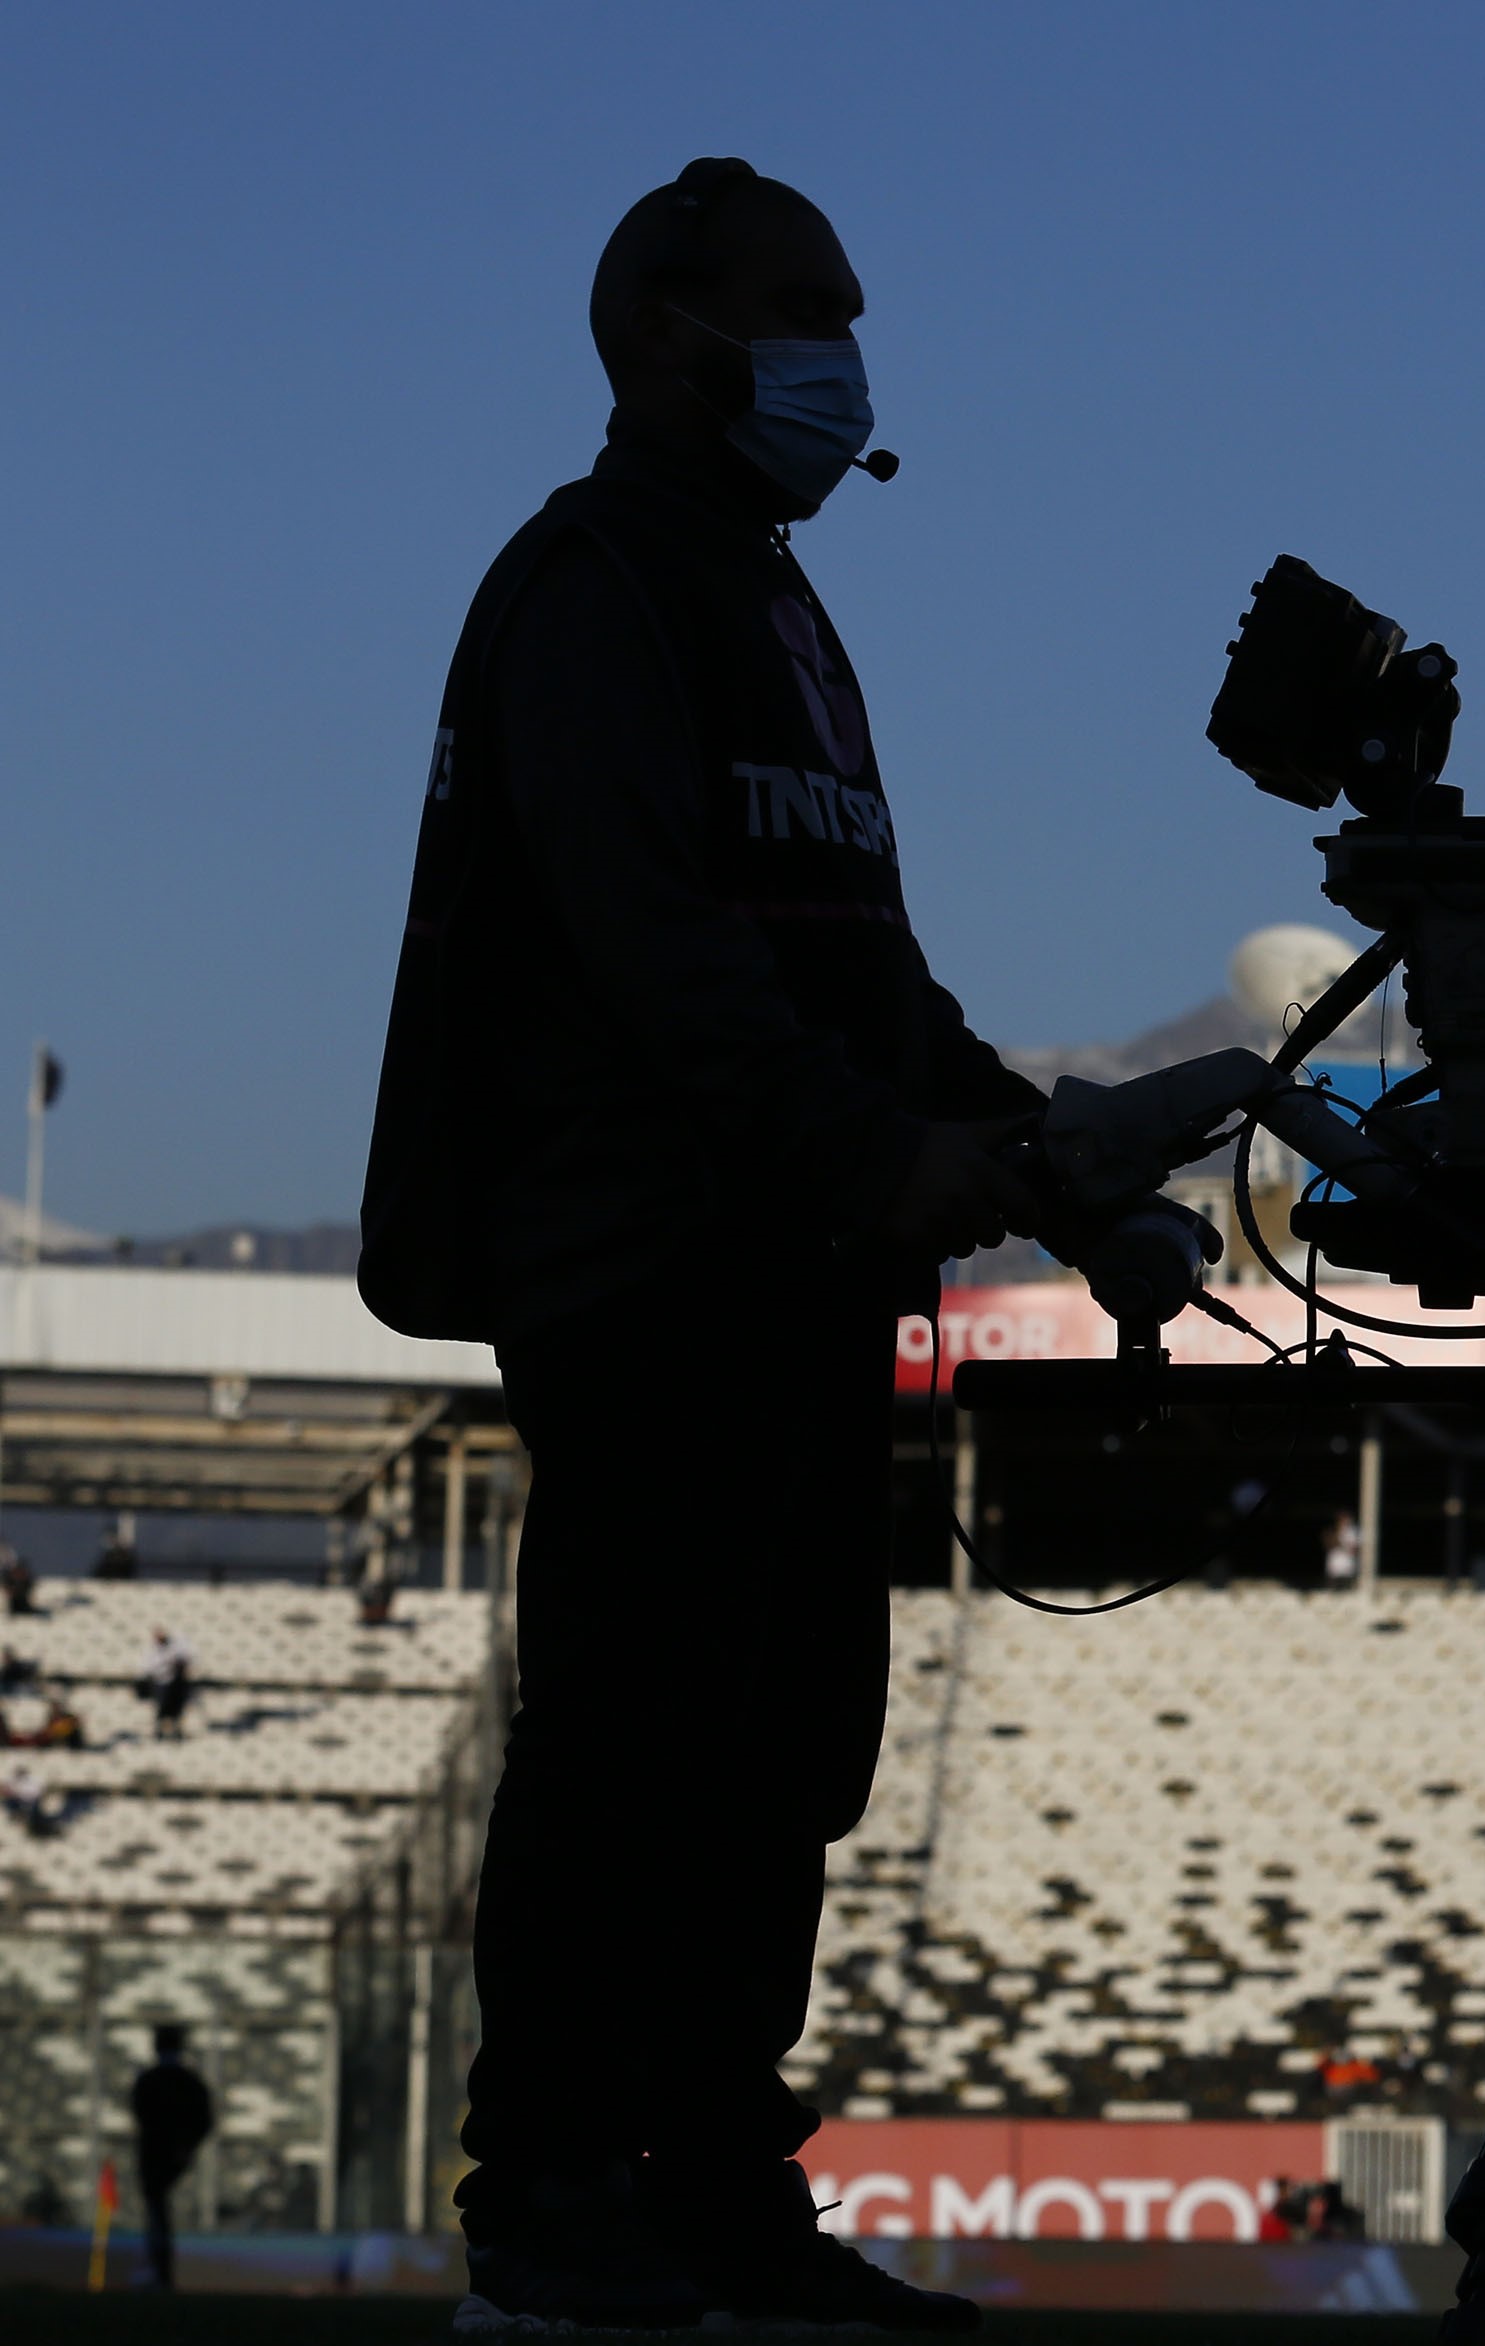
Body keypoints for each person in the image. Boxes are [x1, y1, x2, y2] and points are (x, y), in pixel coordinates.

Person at [354, 160, 1030, 2335]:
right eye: (804, 308)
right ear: (669, 329)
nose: (844, 358)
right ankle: (552, 2209)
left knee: (775, 1750)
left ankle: (720, 2199)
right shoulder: (595, 586)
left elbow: (862, 965)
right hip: (650, 1265)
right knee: (637, 1737)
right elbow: (659, 953)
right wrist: (870, 1146)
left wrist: (1029, 1143)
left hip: (801, 1267)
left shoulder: (773, 605)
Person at [129, 2024, 212, 2291]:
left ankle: (161, 2271)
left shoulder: (150, 2080)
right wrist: (187, 2146)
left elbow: (139, 2113)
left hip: (155, 2155)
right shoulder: (190, 2082)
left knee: (157, 2210)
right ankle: (160, 2270)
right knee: (158, 2210)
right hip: (175, 2153)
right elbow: (205, 2120)